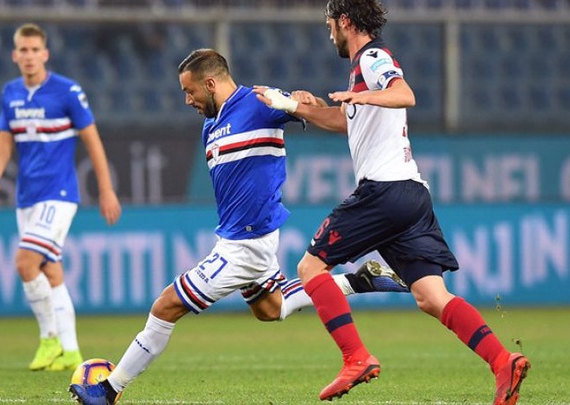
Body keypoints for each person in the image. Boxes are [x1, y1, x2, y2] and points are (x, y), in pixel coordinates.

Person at [69, 48, 408, 405]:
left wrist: (303, 98)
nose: (187, 100)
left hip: (244, 244)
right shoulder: (210, 127)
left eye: (190, 91)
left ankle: (108, 391)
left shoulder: (262, 102)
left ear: (211, 83)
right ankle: (360, 280)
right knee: (269, 309)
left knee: (165, 306)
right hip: (242, 238)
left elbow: (311, 108)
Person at [254, 1, 531, 404]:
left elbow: (404, 94)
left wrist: (365, 97)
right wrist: (296, 108)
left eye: (330, 22)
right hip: (411, 194)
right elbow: (343, 121)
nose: (328, 30)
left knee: (310, 267)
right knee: (432, 296)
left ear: (345, 22)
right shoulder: (361, 72)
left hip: (383, 191)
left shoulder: (373, 57)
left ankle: (356, 357)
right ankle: (502, 360)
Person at [0, 23, 122, 372]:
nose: (29, 56)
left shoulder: (67, 92)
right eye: (23, 51)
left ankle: (49, 339)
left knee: (25, 263)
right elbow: (5, 140)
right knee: (51, 270)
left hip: (58, 194)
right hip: (26, 197)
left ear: (45, 54)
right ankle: (72, 352)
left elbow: (92, 139)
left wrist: (105, 189)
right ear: (15, 55)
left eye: (35, 50)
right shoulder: (11, 94)